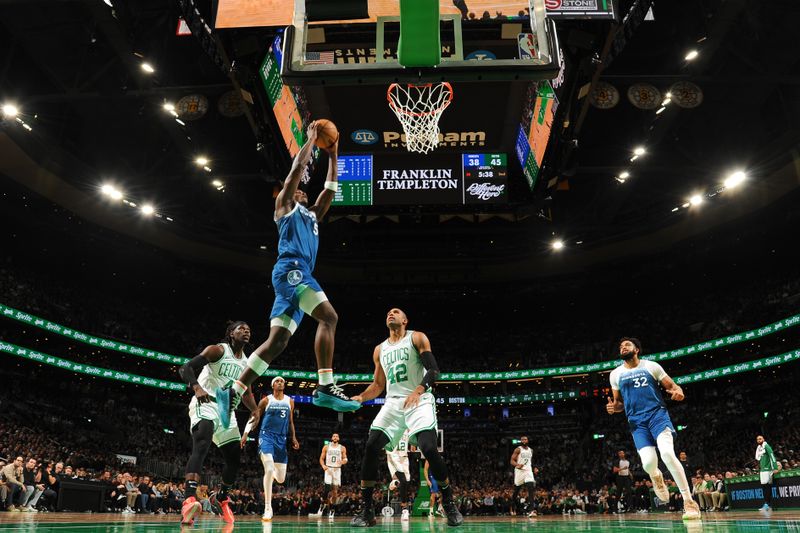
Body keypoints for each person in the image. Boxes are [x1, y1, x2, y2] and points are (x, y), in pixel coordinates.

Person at [221, 122, 360, 415]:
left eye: (304, 194)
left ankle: (232, 390)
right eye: (299, 192)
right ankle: (324, 386)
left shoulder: (312, 216)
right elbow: (296, 171)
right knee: (329, 317)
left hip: (294, 276)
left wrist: (334, 154)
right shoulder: (284, 206)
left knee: (277, 342)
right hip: (291, 270)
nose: (303, 194)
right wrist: (310, 141)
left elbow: (330, 189)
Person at [349, 308, 463, 527]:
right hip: (393, 402)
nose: (391, 313)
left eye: (396, 312)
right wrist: (361, 398)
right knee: (372, 445)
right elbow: (379, 385)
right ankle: (367, 510)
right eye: (388, 312)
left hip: (420, 399)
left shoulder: (417, 337)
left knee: (429, 448)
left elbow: (434, 370)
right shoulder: (379, 349)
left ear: (405, 320)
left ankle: (448, 502)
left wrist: (418, 390)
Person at [606, 337, 700, 520]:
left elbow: (673, 386)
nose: (623, 347)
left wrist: (678, 392)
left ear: (637, 349)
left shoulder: (652, 366)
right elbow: (618, 404)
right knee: (649, 463)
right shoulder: (615, 374)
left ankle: (689, 501)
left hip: (657, 416)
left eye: (627, 345)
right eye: (620, 346)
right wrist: (613, 408)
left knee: (667, 454)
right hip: (636, 423)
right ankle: (656, 476)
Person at [178, 321, 259, 525]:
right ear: (231, 333)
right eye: (241, 328)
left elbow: (247, 392)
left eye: (248, 329)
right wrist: (196, 387)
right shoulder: (218, 350)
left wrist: (256, 410)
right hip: (205, 402)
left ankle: (221, 497)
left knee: (234, 458)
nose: (246, 331)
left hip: (227, 412)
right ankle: (189, 499)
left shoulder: (247, 363)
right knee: (203, 443)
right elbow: (185, 368)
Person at [241, 375, 299, 521]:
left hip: (281, 439)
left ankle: (270, 476)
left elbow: (291, 421)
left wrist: (293, 437)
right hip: (266, 436)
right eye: (277, 381)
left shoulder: (289, 401)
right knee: (269, 468)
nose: (280, 383)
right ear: (273, 385)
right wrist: (246, 433)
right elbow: (254, 416)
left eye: (282, 382)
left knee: (280, 479)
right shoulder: (266, 400)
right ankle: (268, 508)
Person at [318, 433, 348, 518]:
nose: (335, 437)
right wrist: (323, 465)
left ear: (338, 438)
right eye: (334, 436)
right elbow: (321, 458)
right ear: (331, 438)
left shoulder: (342, 448)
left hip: (337, 470)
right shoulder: (326, 447)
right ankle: (323, 503)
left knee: (335, 492)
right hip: (328, 469)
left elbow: (345, 458)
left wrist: (343, 461)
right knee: (327, 489)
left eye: (337, 436)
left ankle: (332, 509)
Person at [387, 428, 412, 521]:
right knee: (404, 481)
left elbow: (412, 437)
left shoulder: (407, 428)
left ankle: (394, 482)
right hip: (393, 456)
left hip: (404, 457)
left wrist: (412, 444)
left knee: (407, 482)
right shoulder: (391, 426)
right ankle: (405, 510)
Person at [510, 436, 537, 517]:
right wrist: (517, 465)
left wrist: (534, 468)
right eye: (522, 439)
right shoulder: (518, 449)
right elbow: (511, 460)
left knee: (531, 487)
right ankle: (513, 507)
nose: (524, 440)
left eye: (525, 439)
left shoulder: (531, 450)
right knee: (516, 491)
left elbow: (530, 461)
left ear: (528, 440)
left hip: (528, 470)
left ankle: (531, 510)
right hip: (519, 471)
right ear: (520, 441)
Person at [756, 435, 780, 511]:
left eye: (760, 439)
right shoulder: (759, 448)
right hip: (763, 470)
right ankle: (767, 504)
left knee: (767, 487)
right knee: (764, 487)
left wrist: (775, 467)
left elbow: (772, 456)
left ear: (763, 439)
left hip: (768, 469)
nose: (759, 440)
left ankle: (767, 504)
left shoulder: (767, 446)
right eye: (757, 439)